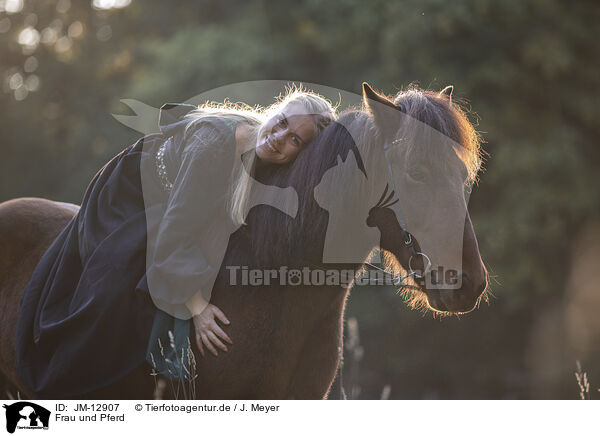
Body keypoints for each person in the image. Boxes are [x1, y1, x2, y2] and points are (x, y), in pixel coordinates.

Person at [15, 85, 337, 398]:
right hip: (136, 193)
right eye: (281, 122)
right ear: (274, 112)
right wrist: (197, 306)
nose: (280, 137)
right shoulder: (213, 147)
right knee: (115, 282)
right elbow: (175, 235)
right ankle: (72, 381)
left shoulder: (273, 163)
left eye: (295, 139)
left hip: (187, 204)